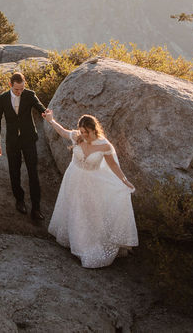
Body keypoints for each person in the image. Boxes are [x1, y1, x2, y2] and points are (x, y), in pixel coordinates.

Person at [43, 112, 138, 268]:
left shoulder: (104, 145)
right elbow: (62, 131)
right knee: (74, 208)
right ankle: (72, 239)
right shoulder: (77, 136)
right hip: (74, 178)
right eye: (81, 131)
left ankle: (86, 244)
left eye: (86, 132)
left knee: (89, 212)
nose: (84, 135)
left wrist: (124, 180)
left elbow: (113, 165)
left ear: (95, 129)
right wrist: (51, 120)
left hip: (91, 183)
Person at [0, 72, 50, 222]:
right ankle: (19, 200)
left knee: (33, 173)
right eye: (17, 89)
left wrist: (46, 113)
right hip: (12, 141)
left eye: (22, 88)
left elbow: (41, 108)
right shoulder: (3, 99)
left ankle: (36, 209)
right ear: (10, 85)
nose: (20, 92)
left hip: (29, 139)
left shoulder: (30, 95)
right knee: (14, 171)